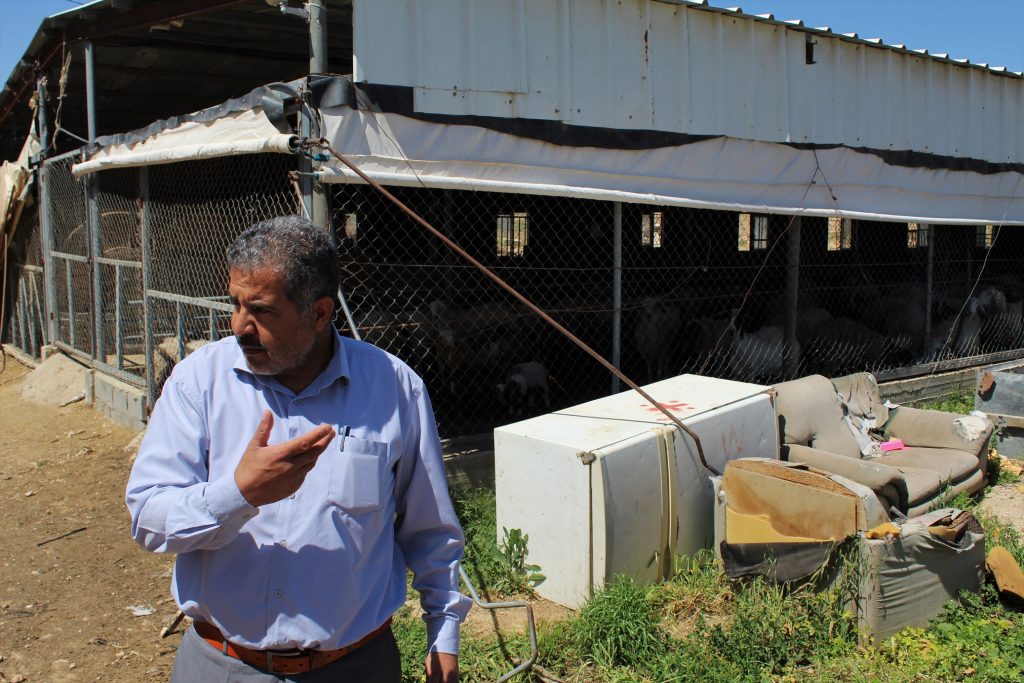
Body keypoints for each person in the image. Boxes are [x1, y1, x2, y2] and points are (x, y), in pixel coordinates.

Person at [126, 215, 470, 682]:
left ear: (320, 313)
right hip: (222, 664)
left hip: (355, 668)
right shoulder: (198, 382)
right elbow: (148, 518)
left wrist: (443, 633)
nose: (240, 326)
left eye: (262, 311)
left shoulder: (394, 390)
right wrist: (239, 493)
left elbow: (431, 530)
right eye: (235, 304)